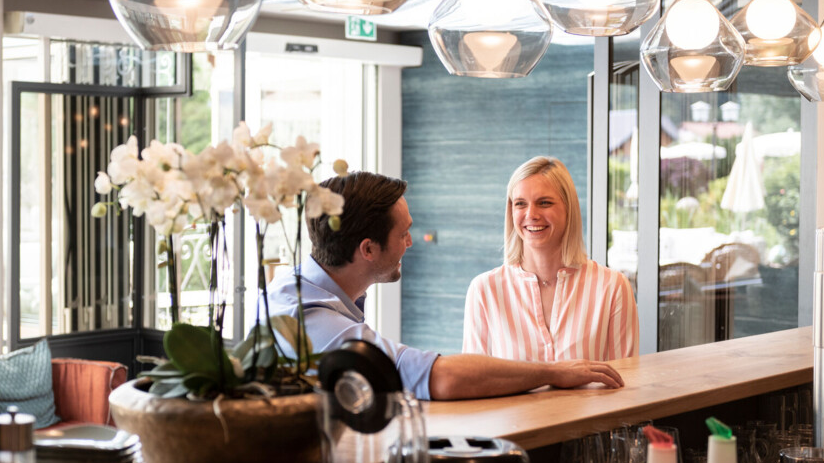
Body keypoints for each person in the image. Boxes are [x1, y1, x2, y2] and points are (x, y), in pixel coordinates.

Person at [266, 171, 625, 401]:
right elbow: (444, 378)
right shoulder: (308, 317)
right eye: (404, 233)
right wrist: (555, 373)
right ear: (368, 249)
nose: (411, 242)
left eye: (545, 202)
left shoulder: (309, 294)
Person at [463, 156, 639, 363]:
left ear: (568, 208)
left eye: (544, 203)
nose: (531, 214)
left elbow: (625, 384)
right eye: (520, 204)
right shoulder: (484, 290)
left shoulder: (612, 287)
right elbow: (475, 384)